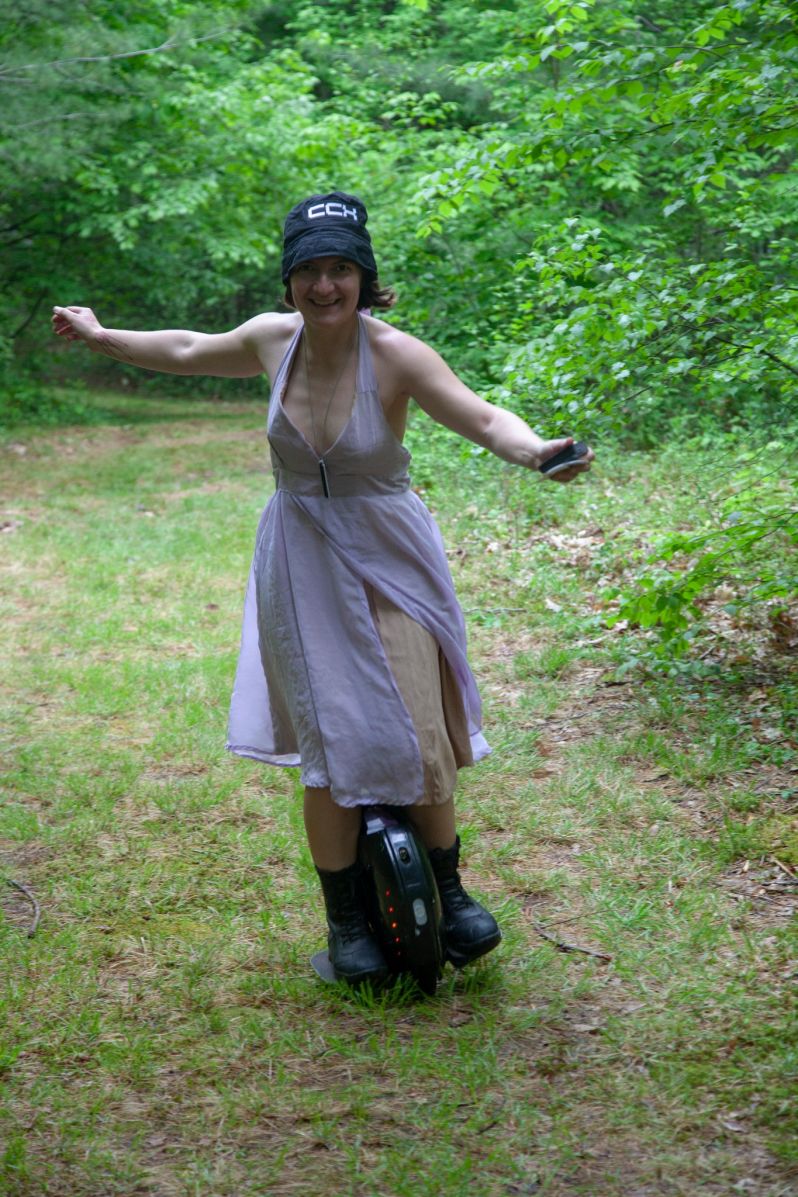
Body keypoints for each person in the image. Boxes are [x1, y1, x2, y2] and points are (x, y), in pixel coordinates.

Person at [52, 190, 594, 987]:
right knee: (331, 740)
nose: (324, 285)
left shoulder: (398, 355)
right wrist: (104, 337)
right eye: (309, 269)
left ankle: (448, 888)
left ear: (364, 276)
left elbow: (482, 418)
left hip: (391, 553)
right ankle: (345, 920)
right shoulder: (272, 341)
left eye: (341, 268)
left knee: (417, 721)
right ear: (290, 280)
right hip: (300, 552)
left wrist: (538, 449)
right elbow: (189, 346)